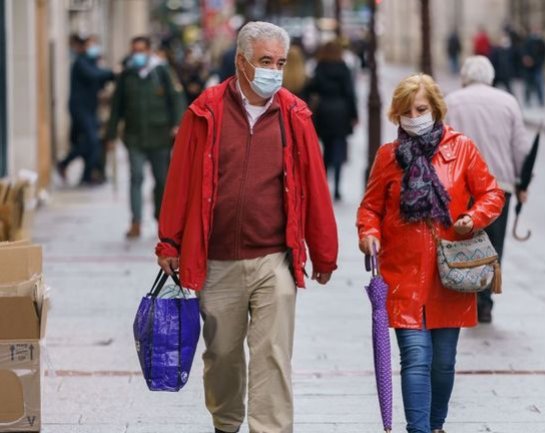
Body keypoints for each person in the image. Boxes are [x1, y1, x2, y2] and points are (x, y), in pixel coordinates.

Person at [155, 21, 338, 433]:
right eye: (265, 61)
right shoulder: (205, 110)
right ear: (241, 61)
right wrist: (169, 241)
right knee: (222, 355)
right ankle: (226, 421)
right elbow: (180, 180)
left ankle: (269, 428)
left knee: (273, 352)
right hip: (217, 258)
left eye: (280, 62)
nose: (274, 69)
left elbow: (314, 185)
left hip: (274, 257)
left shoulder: (294, 114)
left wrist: (324, 252)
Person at [357, 73, 504, 433]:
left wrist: (473, 217)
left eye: (420, 108)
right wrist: (369, 234)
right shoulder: (388, 156)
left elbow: (492, 194)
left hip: (449, 272)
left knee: (443, 363)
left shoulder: (462, 149)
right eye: (406, 110)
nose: (414, 116)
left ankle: (436, 424)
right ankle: (418, 430)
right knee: (416, 358)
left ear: (435, 109)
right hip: (402, 273)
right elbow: (370, 208)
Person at [445, 56, 530, 323]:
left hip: (460, 184)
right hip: (498, 184)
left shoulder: (452, 101)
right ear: (491, 76)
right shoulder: (508, 102)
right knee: (493, 244)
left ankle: (466, 296)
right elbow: (521, 148)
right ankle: (484, 301)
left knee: (463, 240)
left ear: (465, 76)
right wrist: (521, 183)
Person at [105, 36, 186, 239]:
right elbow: (117, 106)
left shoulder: (161, 71)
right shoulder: (127, 75)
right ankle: (136, 222)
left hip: (160, 135)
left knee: (161, 181)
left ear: (149, 51)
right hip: (134, 136)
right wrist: (111, 134)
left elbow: (176, 99)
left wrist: (178, 125)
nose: (137, 55)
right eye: (134, 51)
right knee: (136, 177)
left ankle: (161, 220)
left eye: (141, 50)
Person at [58, 35, 115, 185]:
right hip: (79, 108)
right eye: (90, 45)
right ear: (84, 47)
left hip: (90, 109)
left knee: (91, 143)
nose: (93, 48)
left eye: (95, 45)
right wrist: (113, 72)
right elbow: (94, 75)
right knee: (92, 141)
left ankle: (87, 175)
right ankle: (66, 163)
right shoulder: (81, 62)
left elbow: (101, 79)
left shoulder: (93, 63)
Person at [305, 40, 358, 201]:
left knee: (326, 148)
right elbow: (350, 93)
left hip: (324, 111)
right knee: (339, 148)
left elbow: (311, 88)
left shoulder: (320, 67)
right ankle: (337, 188)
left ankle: (324, 185)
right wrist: (354, 114)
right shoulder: (344, 68)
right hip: (341, 111)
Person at [521, 26, 545, 106]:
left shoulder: (542, 42)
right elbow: (523, 52)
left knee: (539, 84)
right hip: (528, 67)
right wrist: (526, 59)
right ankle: (527, 100)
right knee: (528, 85)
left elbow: (544, 55)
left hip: (537, 66)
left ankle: (541, 101)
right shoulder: (527, 41)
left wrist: (535, 62)